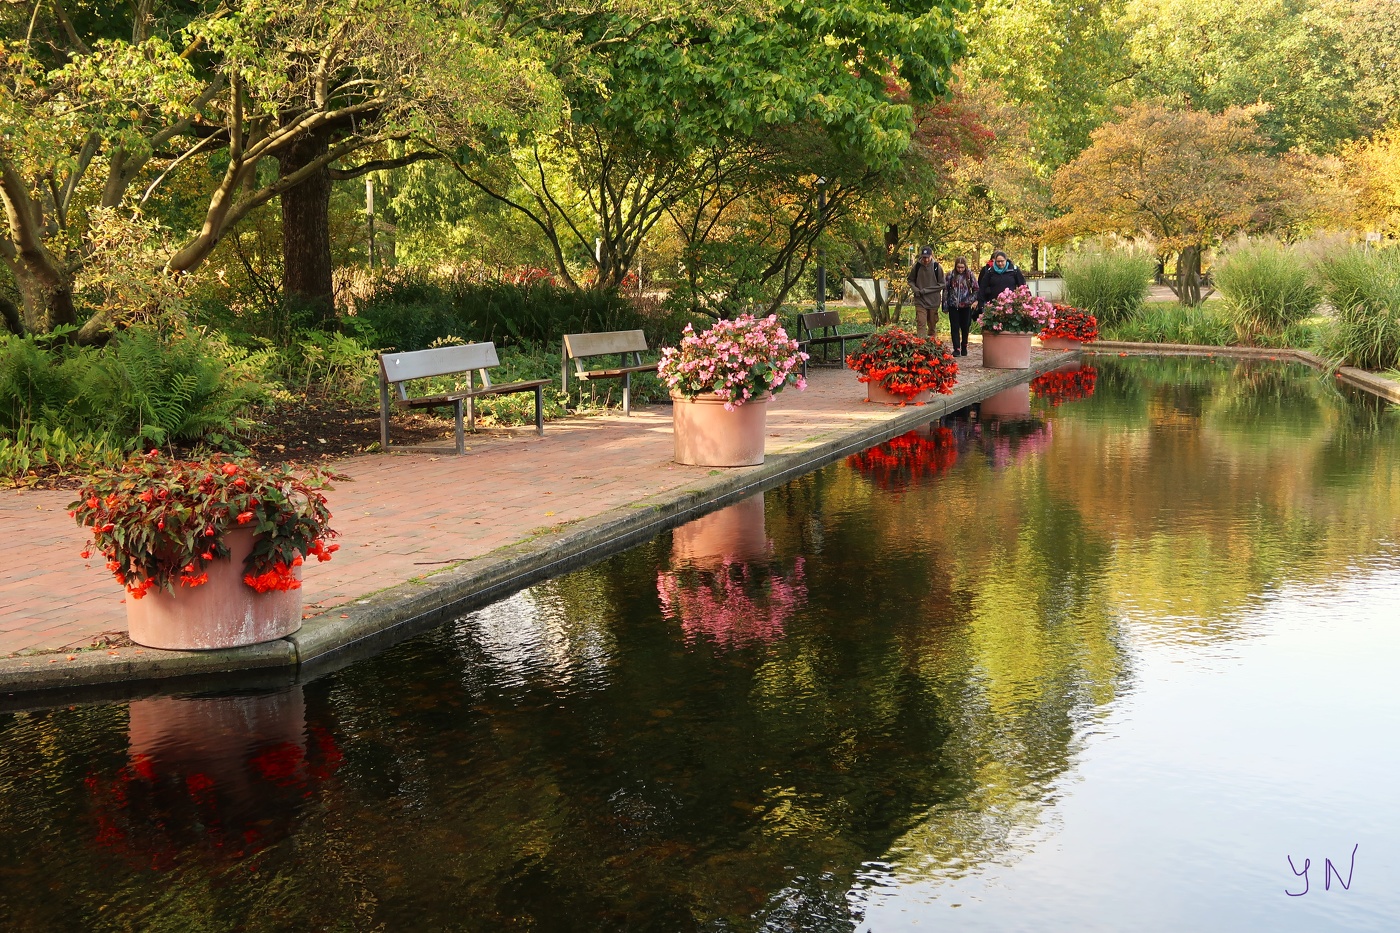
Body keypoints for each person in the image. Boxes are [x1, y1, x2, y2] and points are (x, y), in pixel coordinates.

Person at [906, 246, 945, 339]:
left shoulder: (937, 267)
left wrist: (926, 291)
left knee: (932, 326)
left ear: (931, 256)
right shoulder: (917, 266)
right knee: (921, 323)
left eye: (927, 257)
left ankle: (932, 346)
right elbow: (910, 280)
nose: (926, 259)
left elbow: (942, 284)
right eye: (924, 257)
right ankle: (921, 345)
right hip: (920, 300)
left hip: (933, 301)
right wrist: (915, 289)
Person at [943, 256, 977, 356]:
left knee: (965, 327)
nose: (960, 269)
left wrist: (970, 300)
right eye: (958, 267)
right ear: (955, 266)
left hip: (966, 306)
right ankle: (956, 348)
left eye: (962, 267)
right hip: (953, 305)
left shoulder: (969, 275)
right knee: (954, 327)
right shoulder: (950, 275)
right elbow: (945, 290)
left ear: (965, 266)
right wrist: (945, 305)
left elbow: (976, 289)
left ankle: (964, 345)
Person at [977, 249, 1027, 313]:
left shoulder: (1014, 270)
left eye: (1002, 261)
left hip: (1011, 305)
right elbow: (982, 287)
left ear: (1006, 260)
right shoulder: (990, 271)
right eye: (998, 261)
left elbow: (1022, 286)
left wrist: (1025, 300)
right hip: (994, 304)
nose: (1000, 263)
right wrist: (981, 303)